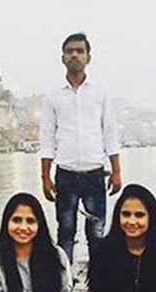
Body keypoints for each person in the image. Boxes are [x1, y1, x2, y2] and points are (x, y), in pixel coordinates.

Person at [39, 32, 122, 262]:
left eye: (80, 51)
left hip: (95, 174)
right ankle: (63, 286)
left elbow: (110, 134)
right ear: (62, 58)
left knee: (96, 233)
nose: (74, 55)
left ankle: (100, 286)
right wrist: (45, 176)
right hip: (65, 175)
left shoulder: (100, 94)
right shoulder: (53, 97)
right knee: (65, 232)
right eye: (70, 51)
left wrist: (117, 172)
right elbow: (46, 139)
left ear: (88, 57)